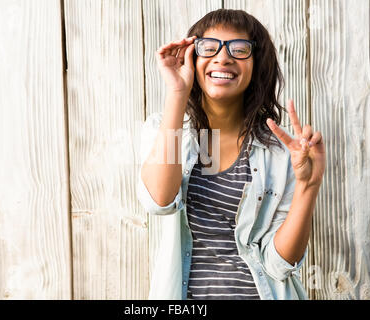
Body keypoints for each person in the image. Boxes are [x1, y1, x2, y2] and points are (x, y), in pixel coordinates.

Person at [136, 9, 326, 300]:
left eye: (239, 50)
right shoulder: (167, 131)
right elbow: (161, 202)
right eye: (209, 48)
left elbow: (278, 265)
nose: (223, 58)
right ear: (192, 57)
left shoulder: (280, 152)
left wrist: (308, 186)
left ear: (256, 64)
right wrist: (177, 92)